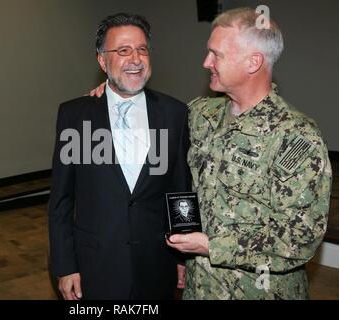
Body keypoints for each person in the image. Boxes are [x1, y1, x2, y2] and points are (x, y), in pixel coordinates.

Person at [165, 8, 332, 299]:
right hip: (199, 289)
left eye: (217, 55)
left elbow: (299, 238)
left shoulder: (295, 135)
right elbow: (154, 120)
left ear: (253, 62)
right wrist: (116, 91)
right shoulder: (201, 114)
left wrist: (212, 246)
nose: (206, 63)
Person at [48, 13, 190, 300]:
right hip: (94, 267)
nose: (135, 59)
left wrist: (182, 256)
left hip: (155, 265)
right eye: (123, 50)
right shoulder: (75, 116)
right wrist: (65, 265)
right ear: (102, 61)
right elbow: (61, 200)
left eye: (142, 49)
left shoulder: (174, 113)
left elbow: (181, 191)